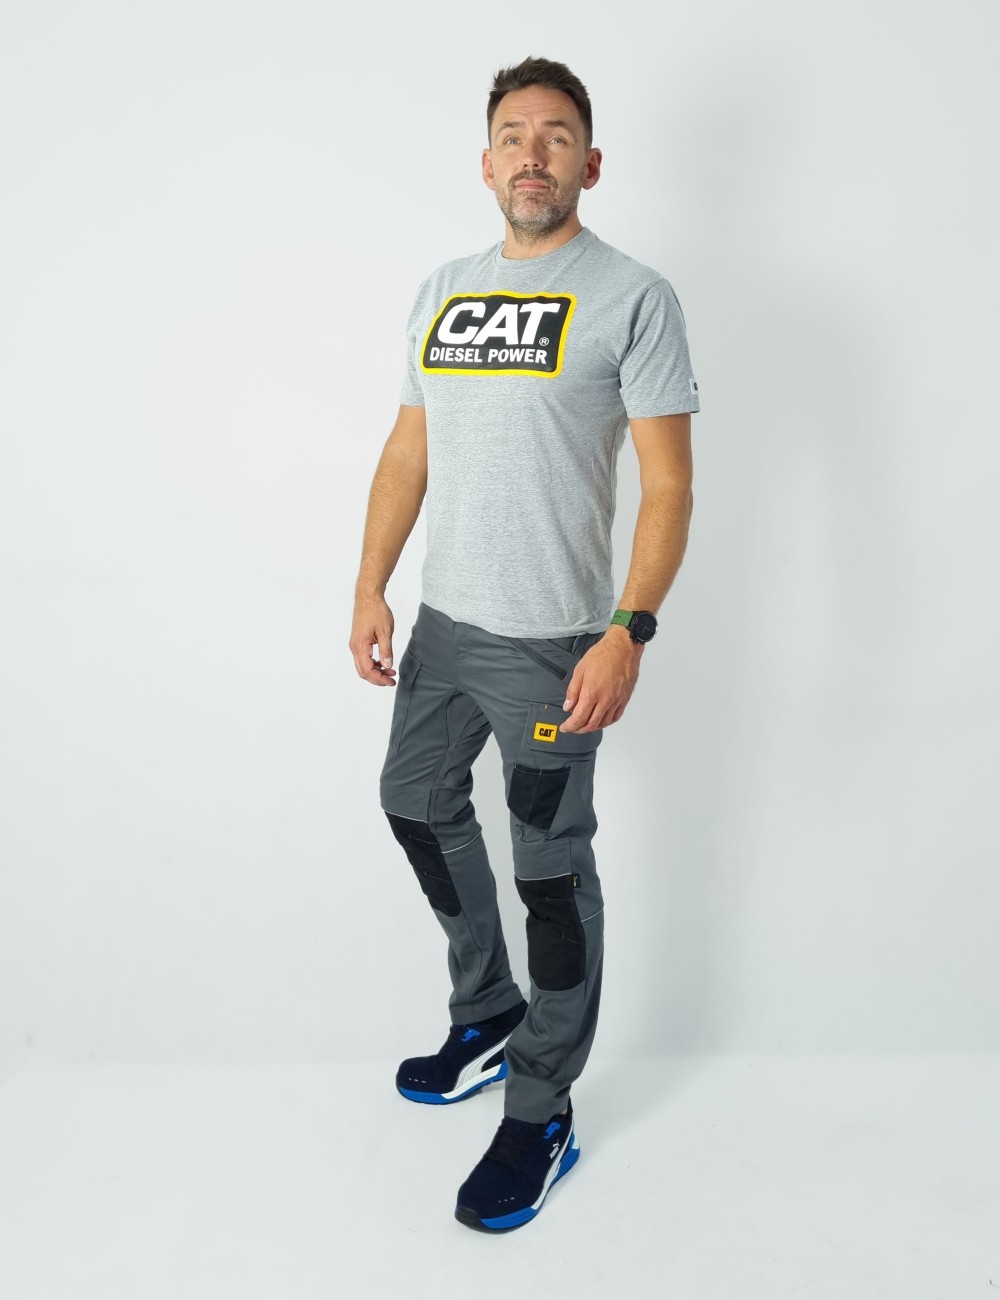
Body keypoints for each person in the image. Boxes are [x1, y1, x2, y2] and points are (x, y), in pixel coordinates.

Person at [350, 56, 699, 1233]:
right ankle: (487, 1011)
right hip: (444, 629)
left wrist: (628, 630)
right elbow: (408, 451)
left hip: (555, 643)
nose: (532, 153)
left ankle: (542, 1104)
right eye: (512, 135)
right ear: (486, 162)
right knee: (413, 801)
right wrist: (370, 584)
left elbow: (668, 485)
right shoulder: (444, 291)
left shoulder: (632, 295)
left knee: (548, 876)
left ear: (588, 164)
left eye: (555, 136)